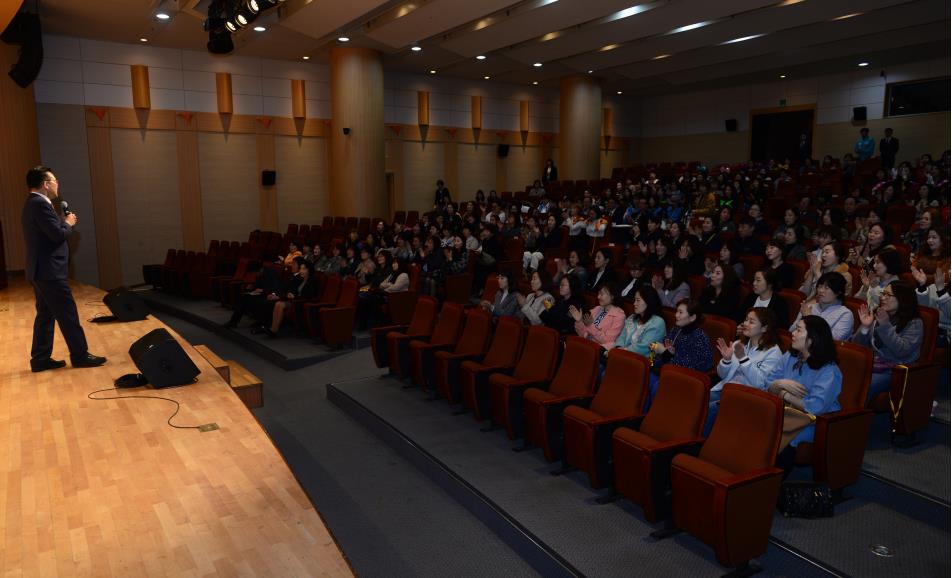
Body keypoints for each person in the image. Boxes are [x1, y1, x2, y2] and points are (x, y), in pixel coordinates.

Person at [21, 166, 106, 371]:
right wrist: (68, 223)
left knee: (46, 315)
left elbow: (49, 232)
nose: (58, 184)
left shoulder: (34, 204)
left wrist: (63, 223)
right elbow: (57, 235)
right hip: (49, 271)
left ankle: (40, 359)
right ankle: (80, 355)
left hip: (41, 270)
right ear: (46, 184)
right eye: (55, 180)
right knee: (67, 314)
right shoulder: (39, 205)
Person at [769, 316, 843, 461]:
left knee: (777, 437)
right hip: (784, 412)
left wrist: (783, 393)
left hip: (813, 422)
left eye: (798, 330)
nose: (793, 333)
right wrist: (779, 384)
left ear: (812, 338)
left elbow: (814, 408)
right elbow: (767, 384)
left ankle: (769, 478)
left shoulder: (829, 371)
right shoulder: (790, 356)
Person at [705, 307, 783, 435]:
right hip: (726, 389)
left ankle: (698, 444)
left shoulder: (773, 353)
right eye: (746, 320)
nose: (745, 324)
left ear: (764, 328)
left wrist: (743, 358)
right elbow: (722, 375)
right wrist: (726, 360)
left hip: (748, 397)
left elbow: (760, 383)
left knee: (709, 409)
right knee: (697, 399)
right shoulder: (739, 344)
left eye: (751, 322)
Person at [852, 281, 923, 402]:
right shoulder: (878, 314)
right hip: (872, 364)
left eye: (888, 295)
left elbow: (901, 351)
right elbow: (857, 347)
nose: (882, 298)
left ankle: (851, 418)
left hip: (894, 371)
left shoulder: (914, 323)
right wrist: (865, 327)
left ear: (902, 298)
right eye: (883, 293)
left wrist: (885, 325)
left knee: (861, 386)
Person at [648, 298, 713, 405]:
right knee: (644, 377)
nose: (676, 315)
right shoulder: (676, 329)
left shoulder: (700, 338)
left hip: (685, 380)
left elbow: (687, 368)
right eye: (676, 311)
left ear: (692, 317)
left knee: (657, 386)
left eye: (680, 312)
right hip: (665, 372)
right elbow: (655, 354)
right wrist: (652, 361)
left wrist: (666, 353)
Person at [255, 258, 318, 337]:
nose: (301, 271)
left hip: (301, 303)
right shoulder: (302, 279)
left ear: (309, 270)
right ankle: (272, 328)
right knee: (278, 303)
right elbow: (294, 291)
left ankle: (274, 330)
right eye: (301, 269)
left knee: (280, 304)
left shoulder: (312, 281)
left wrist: (294, 296)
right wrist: (290, 294)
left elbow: (309, 295)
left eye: (303, 269)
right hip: (294, 300)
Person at [790, 272, 854, 340]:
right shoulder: (809, 307)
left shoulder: (845, 314)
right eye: (820, 286)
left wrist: (810, 318)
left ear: (838, 292)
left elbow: (831, 340)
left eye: (826, 288)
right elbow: (791, 331)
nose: (821, 290)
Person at [614, 287, 666, 357]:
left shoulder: (658, 322)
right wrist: (618, 348)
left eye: (638, 300)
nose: (634, 303)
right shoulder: (632, 318)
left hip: (644, 362)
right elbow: (622, 336)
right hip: (623, 355)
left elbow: (644, 347)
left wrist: (622, 352)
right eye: (634, 300)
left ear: (648, 301)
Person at [571, 284, 625, 350]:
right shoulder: (597, 309)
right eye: (598, 294)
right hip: (585, 344)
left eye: (602, 294)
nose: (598, 297)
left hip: (598, 350)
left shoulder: (619, 316)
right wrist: (579, 321)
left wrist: (590, 325)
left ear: (612, 296)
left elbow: (607, 340)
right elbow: (582, 335)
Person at [913, 265, 950, 346]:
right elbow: (924, 309)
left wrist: (941, 291)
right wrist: (922, 286)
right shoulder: (937, 285)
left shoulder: (940, 287)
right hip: (929, 329)